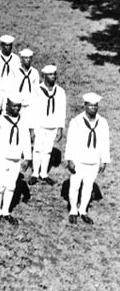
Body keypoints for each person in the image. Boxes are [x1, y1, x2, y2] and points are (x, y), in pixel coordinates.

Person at [65, 93, 111, 224]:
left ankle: (83, 211)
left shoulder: (102, 122)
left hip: (93, 160)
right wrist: (70, 160)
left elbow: (104, 142)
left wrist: (104, 160)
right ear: (85, 106)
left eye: (95, 106)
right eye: (90, 105)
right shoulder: (76, 122)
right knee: (75, 186)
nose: (93, 108)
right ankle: (73, 210)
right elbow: (70, 141)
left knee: (88, 187)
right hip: (79, 160)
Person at [0, 94, 32, 225]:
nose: (16, 109)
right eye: (13, 105)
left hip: (15, 157)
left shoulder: (23, 121)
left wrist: (27, 158)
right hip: (2, 157)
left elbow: (26, 139)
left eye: (18, 106)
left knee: (11, 186)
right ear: (7, 105)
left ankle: (6, 211)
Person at [29, 65, 66, 186]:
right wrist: (32, 128)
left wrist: (60, 128)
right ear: (44, 76)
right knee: (38, 149)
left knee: (48, 150)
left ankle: (44, 173)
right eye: (50, 74)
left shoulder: (60, 92)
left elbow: (62, 111)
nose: (53, 77)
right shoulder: (36, 90)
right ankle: (35, 173)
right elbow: (32, 110)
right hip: (39, 124)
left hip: (53, 125)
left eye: (54, 74)